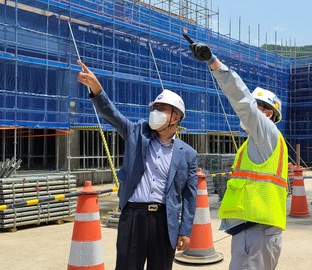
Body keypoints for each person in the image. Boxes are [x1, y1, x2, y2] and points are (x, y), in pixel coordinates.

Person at [76, 60, 198, 270]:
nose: (155, 112)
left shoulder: (188, 154)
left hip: (164, 220)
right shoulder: (137, 132)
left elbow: (189, 195)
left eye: (161, 108)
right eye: (154, 107)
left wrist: (185, 230)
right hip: (133, 217)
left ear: (176, 117)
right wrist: (97, 89)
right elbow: (112, 115)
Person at [190, 42, 288, 270]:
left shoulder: (266, 134)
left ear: (269, 114)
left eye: (258, 107)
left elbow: (243, 101)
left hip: (257, 232)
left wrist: (214, 63)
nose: (252, 111)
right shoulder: (256, 142)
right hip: (254, 231)